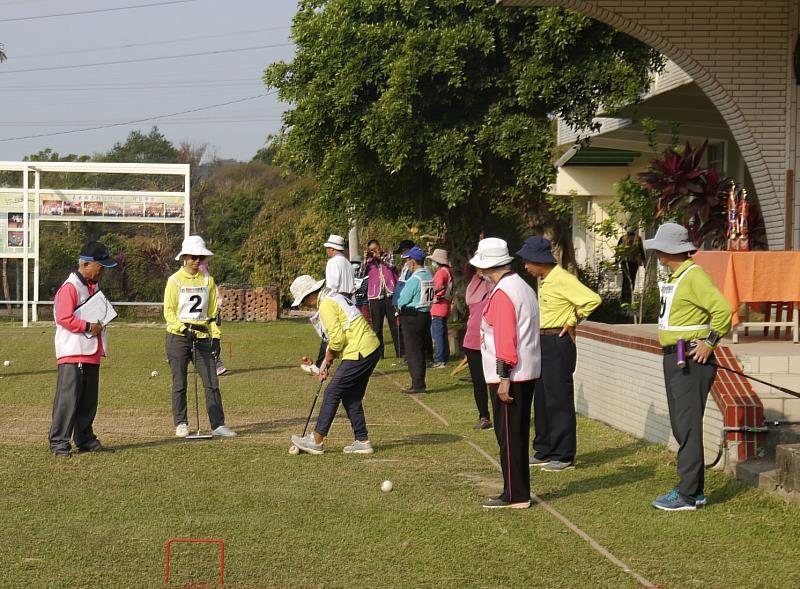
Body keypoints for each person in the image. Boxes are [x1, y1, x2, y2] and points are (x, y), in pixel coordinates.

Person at [644, 223, 732, 511]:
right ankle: (695, 490)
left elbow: (723, 310)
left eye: (659, 248)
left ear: (669, 251)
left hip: (691, 359)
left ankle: (687, 494)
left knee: (687, 427)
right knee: (683, 426)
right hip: (675, 357)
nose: (656, 253)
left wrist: (709, 342)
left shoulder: (693, 276)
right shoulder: (677, 276)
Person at [518, 236, 600, 472]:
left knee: (558, 398)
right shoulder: (545, 281)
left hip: (557, 341)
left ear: (538, 259)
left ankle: (564, 454)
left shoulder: (562, 279)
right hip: (541, 341)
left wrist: (573, 320)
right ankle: (544, 449)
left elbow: (592, 300)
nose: (525, 266)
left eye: (527, 262)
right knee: (542, 398)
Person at [471, 238, 540, 509]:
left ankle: (515, 494)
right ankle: (517, 490)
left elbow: (505, 339)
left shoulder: (504, 293)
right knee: (516, 434)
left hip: (512, 374)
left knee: (509, 437)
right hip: (525, 372)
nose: (479, 273)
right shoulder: (521, 286)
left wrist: (503, 378)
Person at [289, 274, 381, 455]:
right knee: (350, 395)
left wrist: (328, 359)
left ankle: (316, 440)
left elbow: (337, 340)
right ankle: (362, 441)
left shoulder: (325, 304)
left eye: (303, 301)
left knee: (332, 392)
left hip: (360, 351)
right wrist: (325, 362)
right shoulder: (333, 296)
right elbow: (340, 337)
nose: (304, 305)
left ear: (309, 296)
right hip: (369, 348)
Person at [49, 241, 119, 457]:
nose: (103, 272)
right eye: (101, 266)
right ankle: (59, 441)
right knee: (68, 399)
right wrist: (89, 326)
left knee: (88, 401)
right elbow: (63, 317)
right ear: (87, 264)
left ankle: (85, 439)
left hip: (91, 353)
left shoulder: (93, 286)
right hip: (73, 352)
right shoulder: (70, 287)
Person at [164, 235, 236, 438]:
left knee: (211, 381)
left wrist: (216, 337)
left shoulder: (208, 280)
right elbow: (169, 312)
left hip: (203, 337)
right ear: (184, 257)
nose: (197, 261)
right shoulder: (174, 281)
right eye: (193, 257)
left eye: (201, 258)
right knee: (180, 383)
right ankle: (181, 423)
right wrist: (183, 328)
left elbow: (213, 312)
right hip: (178, 337)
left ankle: (218, 424)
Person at [302, 234, 356, 376]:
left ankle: (321, 365)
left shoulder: (333, 263)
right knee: (346, 333)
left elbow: (332, 285)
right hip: (348, 299)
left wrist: (327, 302)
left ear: (332, 249)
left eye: (328, 248)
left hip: (335, 298)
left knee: (329, 333)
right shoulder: (347, 263)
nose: (327, 251)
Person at [395, 246, 434, 393]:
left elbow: (402, 300)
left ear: (412, 262)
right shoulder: (428, 276)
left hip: (412, 316)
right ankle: (419, 382)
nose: (407, 264)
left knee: (413, 351)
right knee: (420, 349)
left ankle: (417, 384)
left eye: (407, 260)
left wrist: (399, 307)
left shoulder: (414, 279)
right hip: (425, 315)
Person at [463, 265, 494, 430]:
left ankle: (502, 415)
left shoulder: (497, 286)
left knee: (495, 380)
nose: (479, 271)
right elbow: (468, 269)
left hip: (493, 341)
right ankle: (484, 416)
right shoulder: (473, 286)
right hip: (473, 341)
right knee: (478, 382)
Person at [364, 239, 400, 357]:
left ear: (380, 247)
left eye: (375, 249)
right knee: (377, 327)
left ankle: (400, 352)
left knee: (395, 325)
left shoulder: (388, 256)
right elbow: (359, 275)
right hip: (375, 297)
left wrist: (379, 257)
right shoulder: (368, 262)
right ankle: (379, 354)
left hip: (390, 295)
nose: (373, 252)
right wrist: (364, 261)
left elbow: (392, 266)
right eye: (371, 250)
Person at [427, 248, 454, 368]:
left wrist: (433, 298)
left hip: (438, 307)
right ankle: (445, 357)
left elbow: (437, 288)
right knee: (442, 333)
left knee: (437, 334)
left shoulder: (440, 273)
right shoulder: (448, 271)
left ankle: (439, 359)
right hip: (445, 305)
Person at [199, 261, 226, 376]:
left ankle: (217, 364)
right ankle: (177, 357)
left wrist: (217, 309)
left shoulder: (209, 281)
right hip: (197, 316)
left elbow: (218, 297)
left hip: (209, 316)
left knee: (209, 340)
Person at [391, 239, 416, 359]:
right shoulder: (406, 265)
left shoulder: (415, 266)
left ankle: (411, 353)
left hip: (408, 302)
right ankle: (406, 352)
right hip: (400, 298)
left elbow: (408, 285)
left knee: (409, 330)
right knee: (402, 328)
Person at [616, 227, 645, 305]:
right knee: (625, 280)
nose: (630, 236)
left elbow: (641, 250)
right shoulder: (623, 238)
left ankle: (630, 298)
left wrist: (644, 261)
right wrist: (616, 261)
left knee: (632, 280)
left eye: (632, 234)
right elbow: (618, 249)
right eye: (629, 234)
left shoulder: (638, 239)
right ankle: (624, 299)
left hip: (634, 262)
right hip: (624, 261)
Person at [350, 254, 371, 323]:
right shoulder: (351, 275)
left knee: (366, 320)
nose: (354, 264)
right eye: (352, 263)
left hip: (364, 302)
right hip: (354, 302)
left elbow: (362, 272)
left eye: (356, 263)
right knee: (357, 321)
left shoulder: (364, 274)